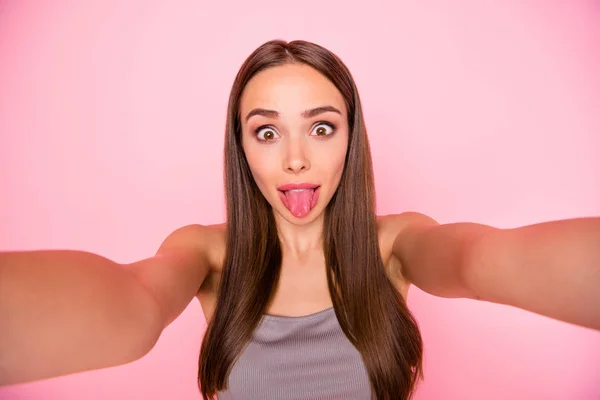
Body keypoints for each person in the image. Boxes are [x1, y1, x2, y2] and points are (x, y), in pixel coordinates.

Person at [0, 39, 598, 400]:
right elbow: (131, 299)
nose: (294, 159)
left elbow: (480, 260)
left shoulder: (397, 243)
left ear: (350, 139)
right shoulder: (208, 255)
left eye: (320, 127)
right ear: (241, 147)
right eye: (266, 131)